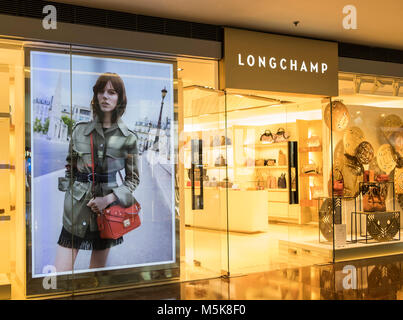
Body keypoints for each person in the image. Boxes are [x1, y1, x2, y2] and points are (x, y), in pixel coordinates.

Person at [55, 72, 140, 272]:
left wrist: (108, 200)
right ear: (95, 96)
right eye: (101, 91)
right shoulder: (79, 131)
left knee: (96, 278)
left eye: (111, 92)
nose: (105, 96)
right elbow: (70, 167)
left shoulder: (128, 138)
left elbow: (133, 180)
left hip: (107, 215)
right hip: (75, 212)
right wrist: (70, 194)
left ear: (119, 98)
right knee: (60, 274)